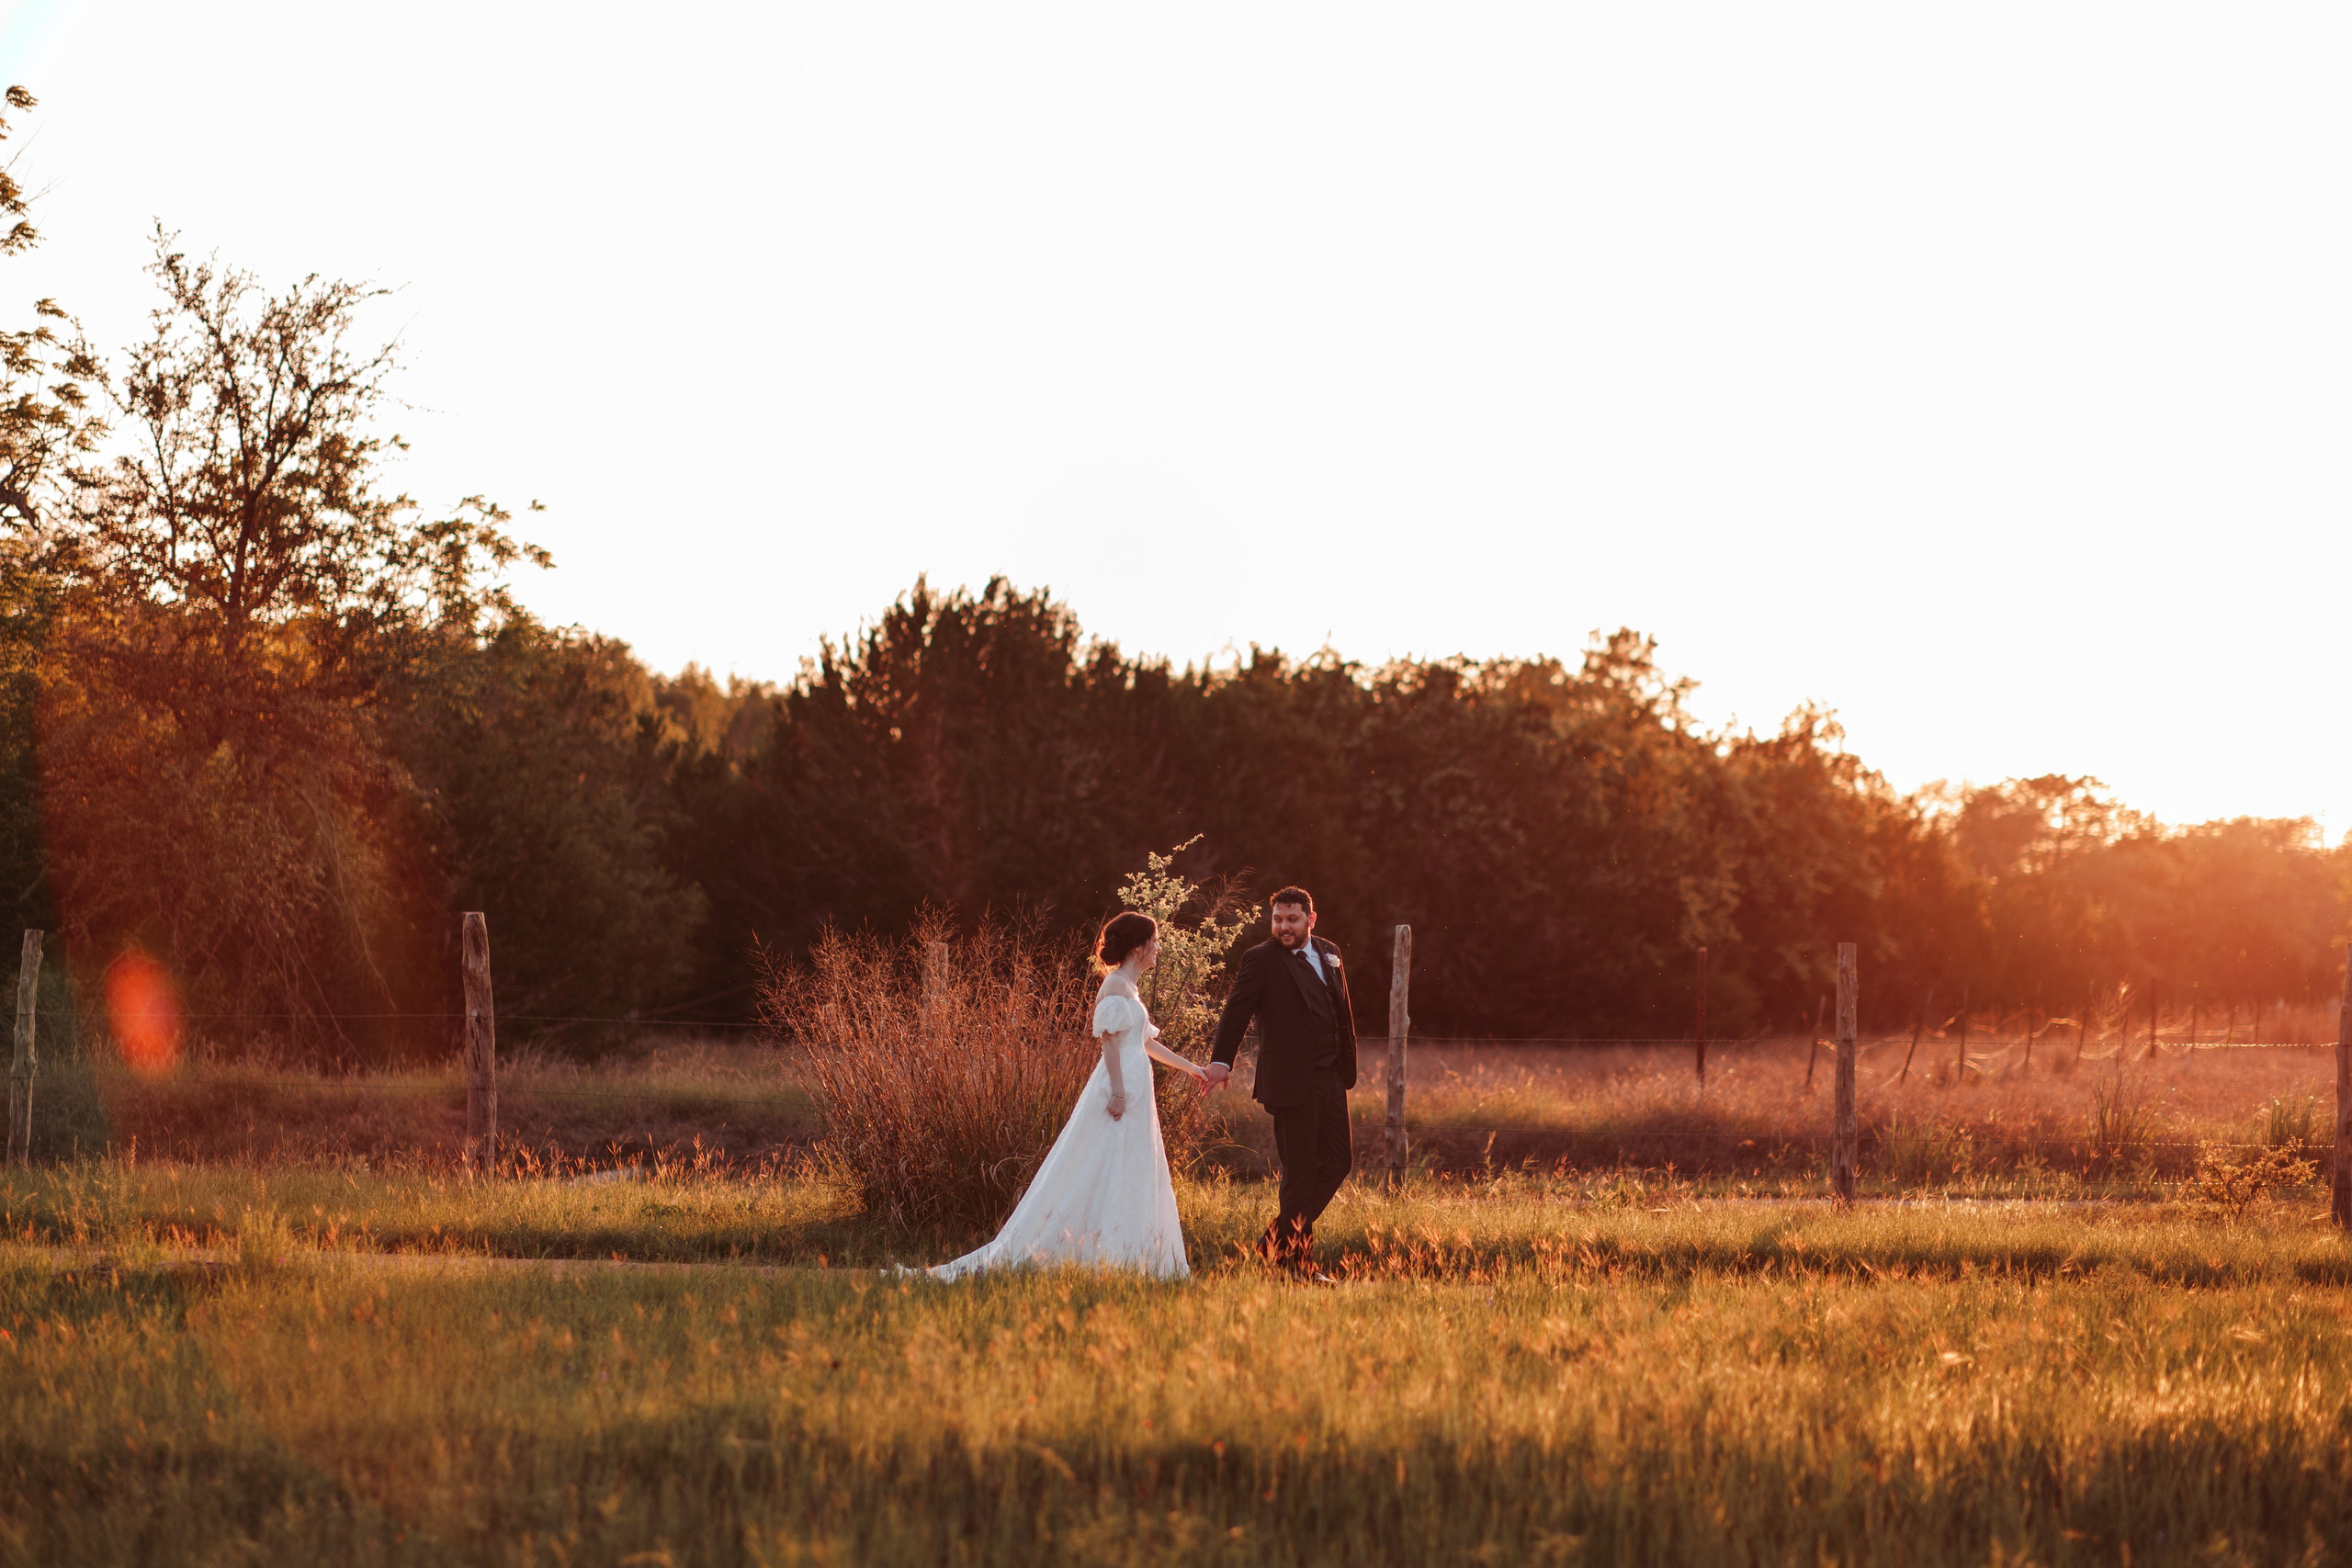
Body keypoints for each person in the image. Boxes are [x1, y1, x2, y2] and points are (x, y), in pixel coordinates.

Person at [922, 911, 1209, 1280]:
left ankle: (1129, 1255)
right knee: (1102, 1161)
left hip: (1138, 1085)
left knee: (1130, 1164)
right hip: (1121, 1087)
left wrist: (1193, 1069)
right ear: (1138, 946)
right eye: (1154, 940)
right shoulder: (1118, 986)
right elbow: (1109, 1042)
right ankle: (1094, 1251)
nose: (1158, 947)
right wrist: (1119, 1093)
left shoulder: (1130, 988)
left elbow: (1145, 1042)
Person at [1203, 886, 1357, 1279]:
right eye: (1277, 919)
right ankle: (1295, 1264)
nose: (1284, 927)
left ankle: (1270, 1246)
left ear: (1311, 919)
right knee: (1300, 1173)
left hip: (1332, 1076)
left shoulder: (1328, 951)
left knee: (1339, 1162)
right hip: (1291, 1083)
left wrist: (1344, 1061)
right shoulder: (1261, 959)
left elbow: (1341, 1012)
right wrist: (1221, 1060)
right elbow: (1236, 1011)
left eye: (1292, 919)